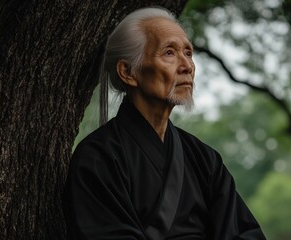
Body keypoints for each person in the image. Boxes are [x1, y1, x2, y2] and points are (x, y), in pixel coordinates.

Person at [63, 6, 266, 240]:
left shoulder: (204, 159)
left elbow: (246, 234)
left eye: (188, 53)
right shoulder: (99, 157)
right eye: (169, 53)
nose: (187, 66)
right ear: (128, 72)